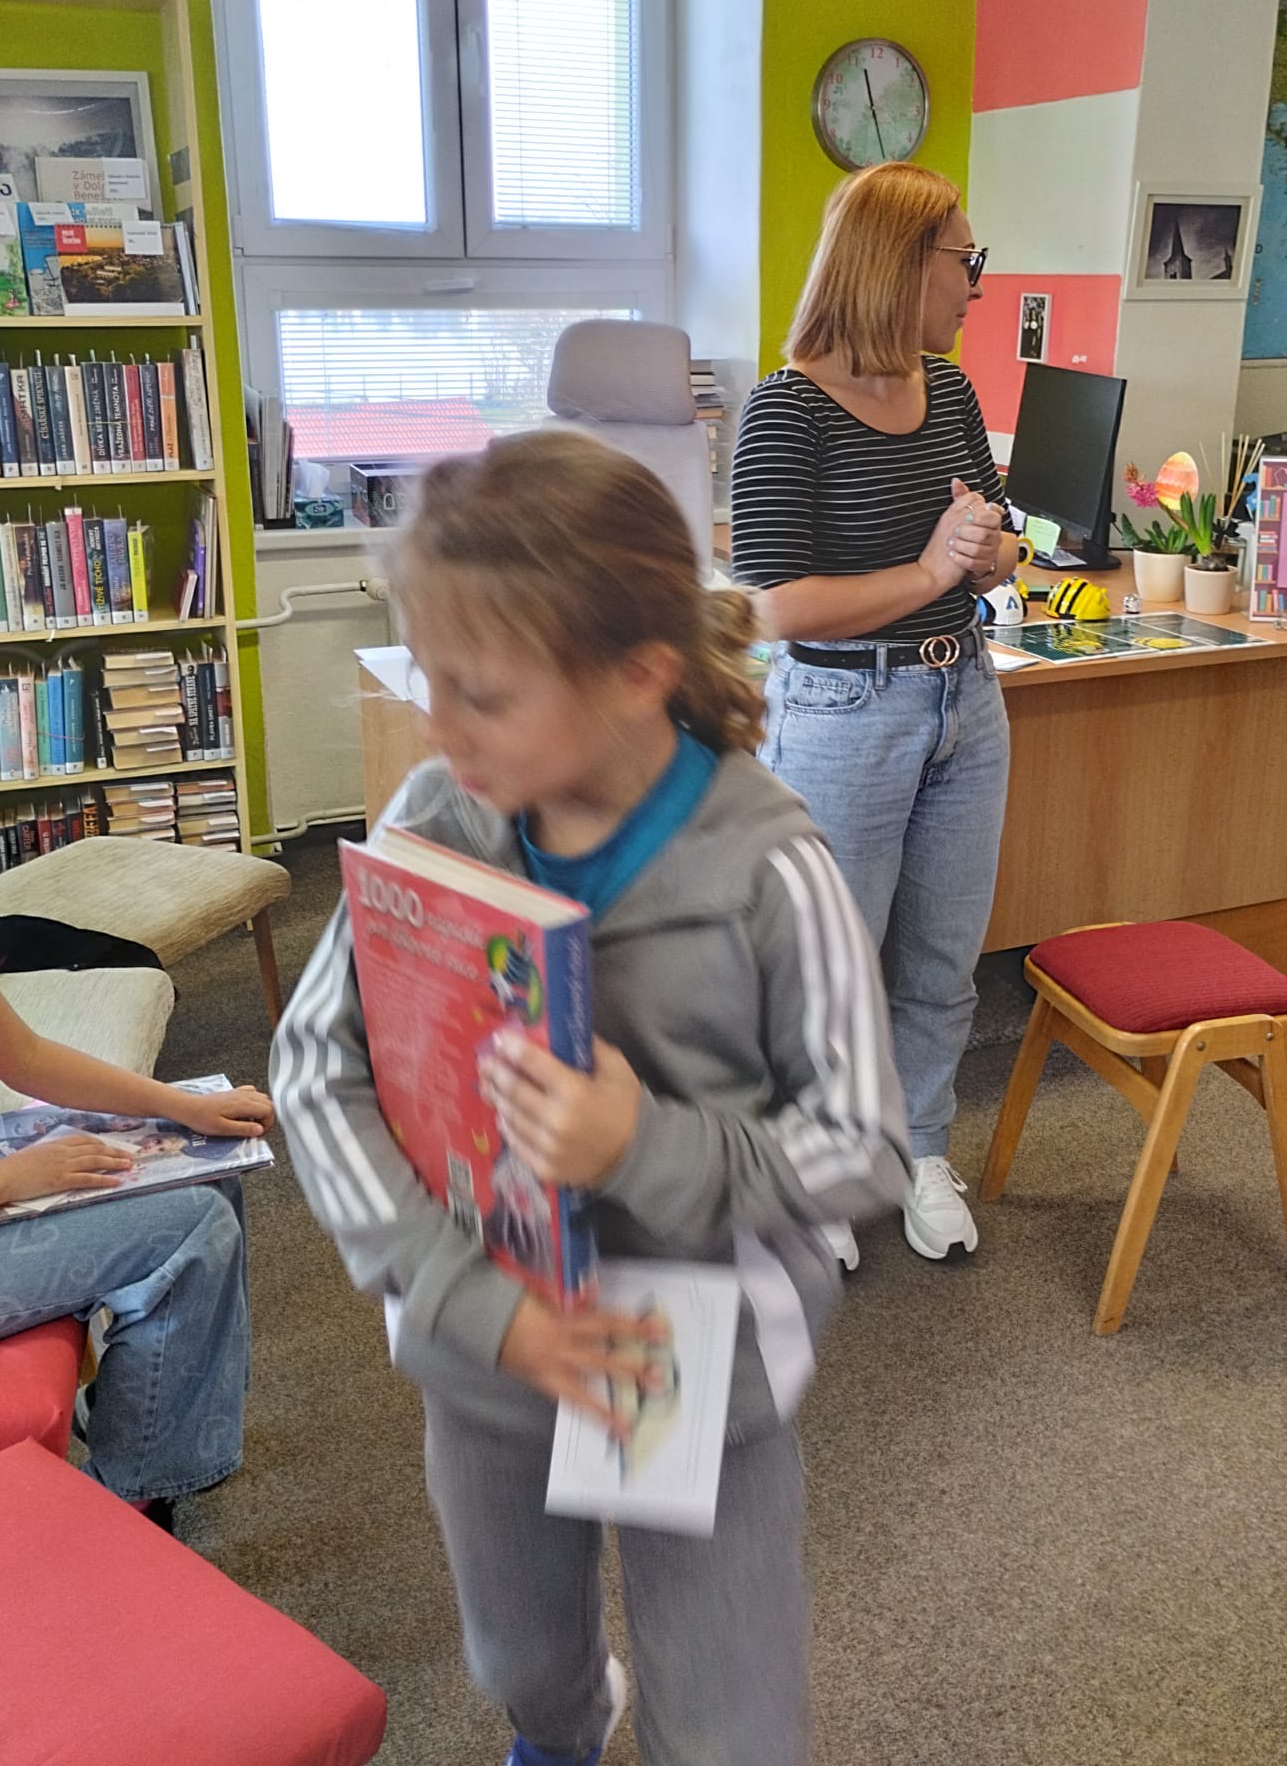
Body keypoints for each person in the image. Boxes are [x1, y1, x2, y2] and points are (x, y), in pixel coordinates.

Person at [272, 429, 909, 1766]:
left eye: (482, 695)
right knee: (521, 1663)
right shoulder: (438, 820)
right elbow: (313, 1071)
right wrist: (472, 1304)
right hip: (488, 1336)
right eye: (428, 680)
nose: (438, 728)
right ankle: (564, 1732)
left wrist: (641, 1145)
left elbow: (863, 1148)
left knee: (729, 1728)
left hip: (683, 1345)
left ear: (638, 673)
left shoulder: (768, 869)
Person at [731, 160, 1017, 1270]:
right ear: (899, 265)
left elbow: (995, 538)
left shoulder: (951, 391)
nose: (977, 284)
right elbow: (771, 605)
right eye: (965, 259)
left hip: (964, 697)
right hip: (843, 707)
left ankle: (921, 1149)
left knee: (942, 961)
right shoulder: (786, 410)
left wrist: (990, 552)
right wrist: (934, 568)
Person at [0, 884, 272, 1517]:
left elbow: (25, 1056)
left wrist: (180, 1107)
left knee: (205, 1172)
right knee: (194, 1227)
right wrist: (6, 1182)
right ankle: (128, 1496)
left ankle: (147, 1419)